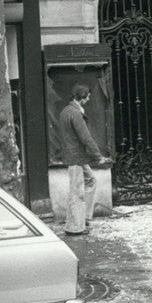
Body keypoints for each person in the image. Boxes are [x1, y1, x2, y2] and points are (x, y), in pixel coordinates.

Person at [58, 83, 106, 236]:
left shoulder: (66, 111)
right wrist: (98, 156)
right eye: (88, 96)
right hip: (76, 157)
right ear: (82, 96)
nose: (89, 99)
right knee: (77, 192)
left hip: (74, 156)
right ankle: (74, 227)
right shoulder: (75, 113)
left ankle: (84, 218)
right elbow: (86, 137)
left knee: (91, 181)